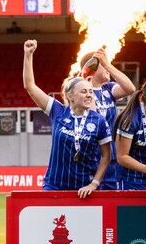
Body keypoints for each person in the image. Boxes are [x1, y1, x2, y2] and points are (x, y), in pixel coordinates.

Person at [22, 40, 111, 197]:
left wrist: (94, 184)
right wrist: (28, 55)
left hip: (85, 190)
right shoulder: (58, 111)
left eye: (90, 91)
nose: (89, 95)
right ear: (70, 96)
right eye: (84, 91)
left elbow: (106, 156)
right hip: (54, 186)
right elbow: (30, 86)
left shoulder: (98, 120)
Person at [78, 47, 137, 190]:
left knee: (112, 198)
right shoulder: (80, 91)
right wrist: (85, 79)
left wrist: (108, 65)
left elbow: (130, 89)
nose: (107, 70)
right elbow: (92, 117)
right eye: (103, 65)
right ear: (92, 68)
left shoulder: (108, 88)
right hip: (90, 156)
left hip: (111, 155)